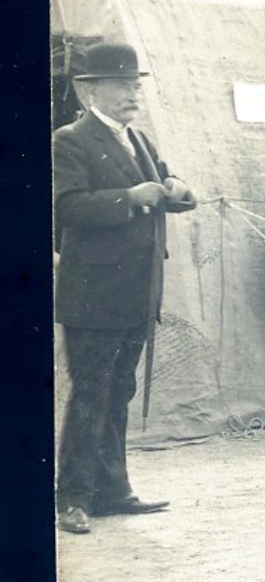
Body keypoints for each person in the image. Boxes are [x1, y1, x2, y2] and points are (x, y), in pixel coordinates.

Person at [53, 42, 198, 535]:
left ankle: (113, 491)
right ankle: (71, 498)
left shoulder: (139, 140)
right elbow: (65, 207)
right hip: (93, 294)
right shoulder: (69, 140)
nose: (132, 94)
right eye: (121, 84)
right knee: (91, 393)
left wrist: (178, 188)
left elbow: (166, 189)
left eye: (135, 85)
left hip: (138, 291)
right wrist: (128, 198)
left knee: (120, 392)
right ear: (88, 89)